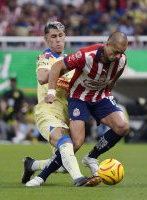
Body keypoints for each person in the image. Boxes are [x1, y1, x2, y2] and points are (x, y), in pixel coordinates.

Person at [38, 31, 130, 182]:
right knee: (76, 143)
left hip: (100, 98)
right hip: (78, 98)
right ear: (106, 44)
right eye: (115, 52)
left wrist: (106, 94)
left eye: (122, 53)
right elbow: (56, 67)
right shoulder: (86, 55)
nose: (118, 56)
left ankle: (91, 157)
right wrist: (52, 91)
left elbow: (114, 78)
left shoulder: (121, 60)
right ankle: (41, 176)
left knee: (123, 126)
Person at [22, 21, 99, 187]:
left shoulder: (69, 61)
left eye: (61, 36)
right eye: (53, 36)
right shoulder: (46, 57)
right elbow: (42, 77)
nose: (58, 40)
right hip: (47, 112)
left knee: (62, 163)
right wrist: (60, 69)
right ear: (46, 39)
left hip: (66, 115)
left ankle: (32, 165)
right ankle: (78, 179)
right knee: (65, 143)